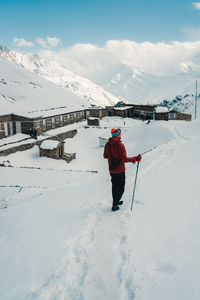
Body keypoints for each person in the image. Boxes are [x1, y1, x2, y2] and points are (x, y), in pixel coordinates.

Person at [104, 128, 142, 212]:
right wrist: (135, 159)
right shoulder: (120, 145)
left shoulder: (107, 144)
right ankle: (114, 204)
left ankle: (116, 201)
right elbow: (124, 159)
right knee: (121, 188)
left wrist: (112, 157)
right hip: (120, 170)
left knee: (115, 187)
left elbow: (105, 156)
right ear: (119, 135)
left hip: (112, 170)